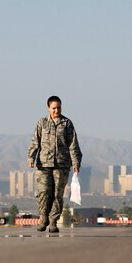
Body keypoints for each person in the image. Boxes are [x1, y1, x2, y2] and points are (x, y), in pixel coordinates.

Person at [28, 96, 82, 233]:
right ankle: (43, 217)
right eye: (54, 108)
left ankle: (53, 222)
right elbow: (35, 141)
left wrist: (76, 162)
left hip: (62, 164)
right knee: (44, 192)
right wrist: (31, 157)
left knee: (58, 194)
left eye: (58, 108)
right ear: (48, 108)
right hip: (43, 164)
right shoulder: (42, 123)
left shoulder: (67, 123)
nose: (56, 110)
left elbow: (73, 144)